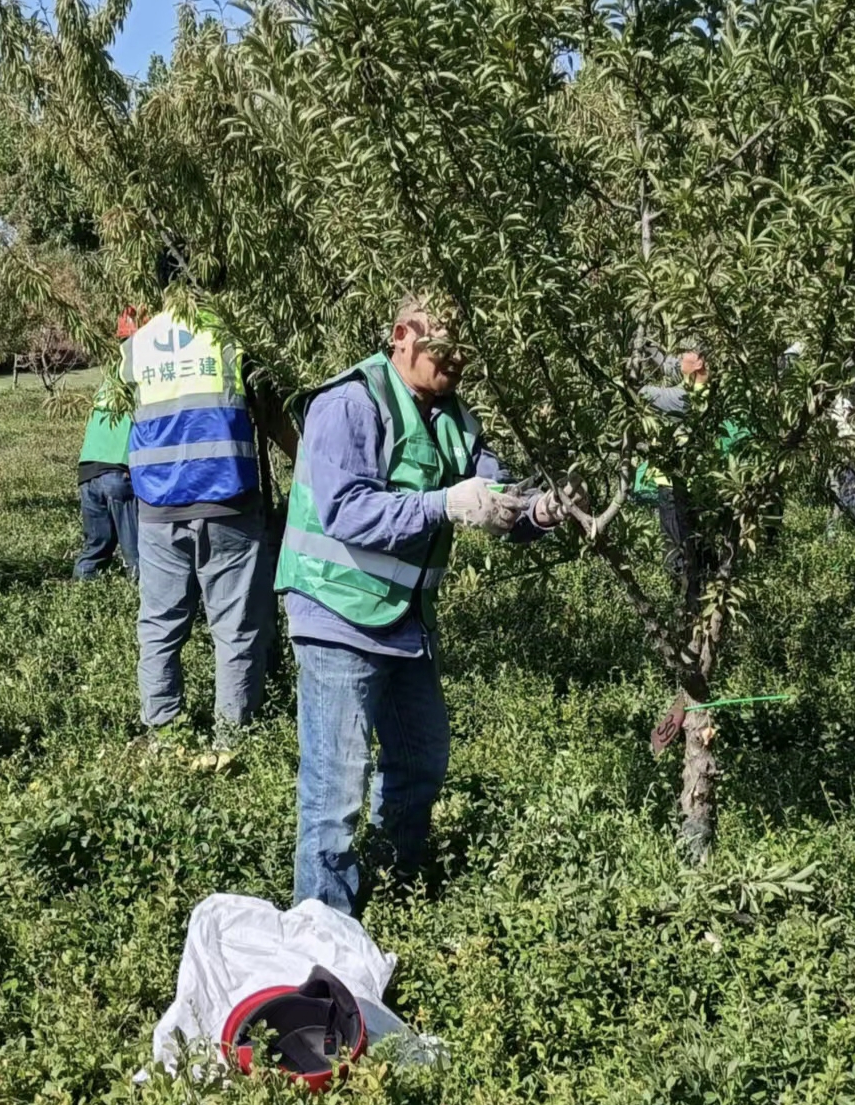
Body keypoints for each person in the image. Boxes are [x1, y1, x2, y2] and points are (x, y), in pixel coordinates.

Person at [275, 294, 585, 914]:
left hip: (404, 622)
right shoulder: (350, 403)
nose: (458, 358)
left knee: (420, 760)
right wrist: (444, 504)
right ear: (402, 337)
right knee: (335, 792)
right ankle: (325, 935)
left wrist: (539, 512)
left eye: (466, 347)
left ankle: (396, 887)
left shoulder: (455, 419)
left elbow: (493, 498)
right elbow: (346, 511)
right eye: (445, 344)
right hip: (338, 612)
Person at [121, 250, 273, 755]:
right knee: (235, 628)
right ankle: (230, 741)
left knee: (160, 625)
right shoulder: (232, 336)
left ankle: (163, 734)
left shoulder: (136, 346)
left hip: (158, 506)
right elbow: (270, 413)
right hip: (228, 500)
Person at [636, 340, 746, 591]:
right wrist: (648, 346)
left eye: (686, 353)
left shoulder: (686, 398)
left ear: (698, 363)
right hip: (700, 479)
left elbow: (643, 392)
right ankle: (710, 586)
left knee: (676, 543)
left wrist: (627, 373)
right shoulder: (703, 381)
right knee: (700, 538)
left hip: (673, 481)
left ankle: (685, 596)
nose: (680, 356)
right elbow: (669, 365)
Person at [73, 380, 139, 580]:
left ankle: (80, 595)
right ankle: (140, 601)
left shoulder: (104, 388)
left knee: (96, 546)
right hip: (119, 470)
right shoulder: (136, 387)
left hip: (87, 473)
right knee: (135, 550)